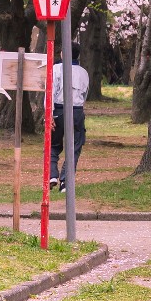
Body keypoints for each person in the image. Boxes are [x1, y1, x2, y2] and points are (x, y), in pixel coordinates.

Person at [50, 41, 90, 190]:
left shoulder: (55, 69)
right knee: (76, 145)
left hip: (58, 110)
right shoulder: (83, 72)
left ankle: (52, 174)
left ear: (62, 53)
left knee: (53, 144)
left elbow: (50, 92)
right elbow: (85, 93)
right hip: (77, 111)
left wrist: (48, 114)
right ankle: (66, 180)